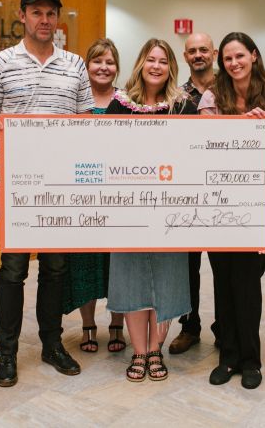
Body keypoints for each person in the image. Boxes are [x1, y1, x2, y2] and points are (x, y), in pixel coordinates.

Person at [0, 0, 93, 387]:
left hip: (60, 185)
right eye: (36, 12)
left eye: (50, 12)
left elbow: (84, 126)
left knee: (56, 267)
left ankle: (51, 344)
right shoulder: (1, 63)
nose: (44, 19)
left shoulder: (75, 65)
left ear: (57, 19)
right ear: (22, 16)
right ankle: (7, 352)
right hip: (17, 185)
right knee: (12, 269)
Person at [199, 32, 265, 390]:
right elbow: (208, 148)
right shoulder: (211, 98)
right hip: (216, 205)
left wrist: (260, 127)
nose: (233, 63)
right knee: (223, 283)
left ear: (254, 56)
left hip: (255, 208)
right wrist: (241, 126)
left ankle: (251, 361)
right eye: (227, 59)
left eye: (239, 56)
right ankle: (229, 357)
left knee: (248, 287)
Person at [105, 38, 196, 382]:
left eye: (163, 61)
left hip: (170, 210)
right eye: (150, 60)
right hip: (127, 210)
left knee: (167, 275)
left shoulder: (182, 106)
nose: (156, 66)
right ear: (141, 63)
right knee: (131, 277)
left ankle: (157, 347)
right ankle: (139, 351)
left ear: (171, 68)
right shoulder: (120, 105)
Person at [63, 38, 126, 354]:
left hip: (119, 196)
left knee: (118, 262)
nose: (104, 67)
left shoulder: (128, 100)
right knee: (85, 260)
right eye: (98, 61)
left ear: (117, 68)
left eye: (110, 62)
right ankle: (88, 325)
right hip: (83, 195)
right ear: (86, 66)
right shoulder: (75, 99)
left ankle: (117, 324)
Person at [168, 32, 220, 355]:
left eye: (204, 49)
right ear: (185, 57)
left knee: (223, 263)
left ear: (213, 53)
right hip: (185, 192)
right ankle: (190, 326)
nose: (198, 54)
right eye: (192, 51)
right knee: (186, 266)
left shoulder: (229, 91)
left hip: (221, 191)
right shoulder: (175, 97)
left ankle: (225, 324)